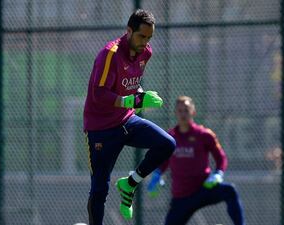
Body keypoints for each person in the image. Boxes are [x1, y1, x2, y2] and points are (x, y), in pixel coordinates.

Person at [83, 9, 176, 225]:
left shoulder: (146, 53)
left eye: (149, 37)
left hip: (126, 121)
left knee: (167, 144)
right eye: (141, 36)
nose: (145, 42)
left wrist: (142, 95)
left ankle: (130, 184)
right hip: (101, 129)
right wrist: (131, 101)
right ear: (128, 31)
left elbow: (131, 84)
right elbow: (99, 94)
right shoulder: (110, 54)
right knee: (99, 188)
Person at [147, 96, 245, 225]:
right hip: (181, 196)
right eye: (180, 110)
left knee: (230, 191)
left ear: (193, 111)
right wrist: (157, 174)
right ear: (175, 113)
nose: (183, 114)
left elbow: (221, 157)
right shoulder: (170, 137)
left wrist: (218, 174)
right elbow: (164, 160)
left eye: (186, 110)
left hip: (203, 189)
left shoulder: (204, 135)